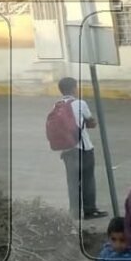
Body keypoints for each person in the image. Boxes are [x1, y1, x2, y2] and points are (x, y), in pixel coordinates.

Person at [48, 76, 106, 220]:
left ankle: (74, 210)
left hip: (67, 149)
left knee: (72, 181)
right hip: (83, 148)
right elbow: (91, 123)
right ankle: (89, 210)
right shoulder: (80, 103)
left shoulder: (56, 105)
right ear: (74, 88)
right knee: (88, 179)